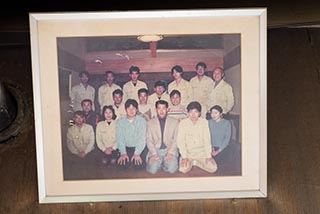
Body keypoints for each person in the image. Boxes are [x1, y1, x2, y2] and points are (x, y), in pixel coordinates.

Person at [177, 101, 217, 173]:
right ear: (188, 113)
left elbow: (207, 140)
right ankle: (191, 162)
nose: (193, 114)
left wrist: (208, 156)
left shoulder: (204, 122)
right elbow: (181, 142)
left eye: (195, 112)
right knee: (183, 169)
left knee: (213, 168)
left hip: (202, 153)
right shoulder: (182, 123)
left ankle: (195, 163)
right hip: (189, 154)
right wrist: (184, 156)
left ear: (199, 113)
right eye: (191, 112)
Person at [146, 100, 179, 174]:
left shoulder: (175, 122)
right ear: (156, 109)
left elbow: (176, 140)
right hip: (156, 150)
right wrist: (154, 154)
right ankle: (159, 162)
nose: (161, 111)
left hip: (169, 149)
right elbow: (149, 140)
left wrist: (170, 153)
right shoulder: (150, 123)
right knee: (152, 170)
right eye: (159, 108)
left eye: (163, 108)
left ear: (167, 109)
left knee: (172, 169)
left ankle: (163, 163)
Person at [116, 99, 147, 169]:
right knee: (122, 166)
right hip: (125, 148)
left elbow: (142, 139)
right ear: (125, 110)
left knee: (138, 167)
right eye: (129, 108)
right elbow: (120, 139)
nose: (131, 110)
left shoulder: (142, 121)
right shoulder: (120, 122)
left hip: (138, 148)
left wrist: (137, 153)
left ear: (137, 109)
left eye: (133, 108)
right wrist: (123, 153)